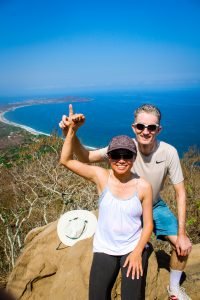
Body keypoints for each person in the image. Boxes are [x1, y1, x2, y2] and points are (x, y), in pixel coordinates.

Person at [59, 103, 192, 300]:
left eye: (151, 127)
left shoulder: (168, 152)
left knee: (183, 246)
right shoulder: (123, 147)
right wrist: (71, 132)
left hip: (154, 204)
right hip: (128, 206)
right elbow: (84, 157)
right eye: (141, 126)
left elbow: (180, 192)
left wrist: (181, 233)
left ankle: (174, 288)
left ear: (159, 129)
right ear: (133, 127)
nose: (145, 131)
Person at [60, 115, 153, 300]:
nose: (121, 160)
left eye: (126, 155)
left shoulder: (143, 186)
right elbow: (66, 160)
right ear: (108, 157)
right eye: (115, 155)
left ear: (134, 158)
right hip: (105, 248)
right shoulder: (101, 176)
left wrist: (137, 252)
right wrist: (71, 130)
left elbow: (148, 224)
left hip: (131, 247)